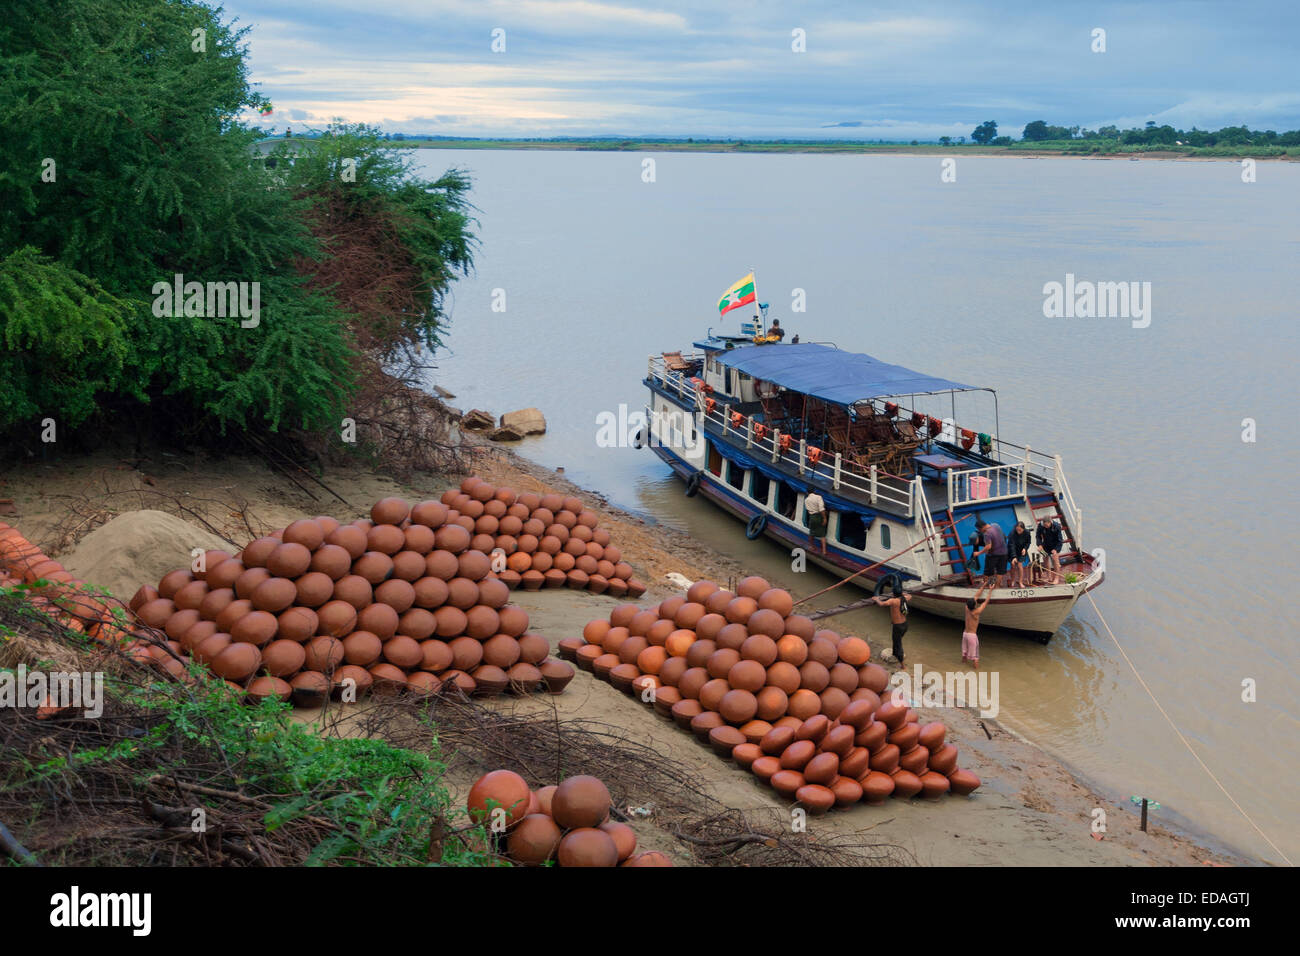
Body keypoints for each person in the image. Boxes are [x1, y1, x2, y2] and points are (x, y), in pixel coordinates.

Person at [871, 584, 909, 665]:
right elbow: (910, 595)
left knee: (898, 644)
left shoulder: (893, 601)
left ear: (893, 594)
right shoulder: (905, 598)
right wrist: (902, 594)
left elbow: (881, 604)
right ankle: (895, 654)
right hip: (905, 625)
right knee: (896, 641)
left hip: (897, 626)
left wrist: (876, 599)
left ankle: (902, 664)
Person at [962, 581, 992, 669]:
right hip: (972, 636)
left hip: (965, 634)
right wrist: (990, 590)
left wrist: (984, 584)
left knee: (964, 653)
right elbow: (986, 602)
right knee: (975, 657)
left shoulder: (967, 608)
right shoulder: (976, 612)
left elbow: (976, 596)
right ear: (975, 605)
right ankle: (976, 672)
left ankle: (962, 666)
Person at [971, 518, 1007, 588]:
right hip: (1004, 552)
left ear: (980, 527)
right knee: (1000, 571)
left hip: (993, 554)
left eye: (979, 530)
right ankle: (997, 587)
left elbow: (988, 546)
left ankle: (986, 586)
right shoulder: (996, 525)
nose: (980, 531)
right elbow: (1002, 536)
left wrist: (978, 553)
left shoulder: (987, 534)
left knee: (987, 571)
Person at [1036, 515, 1063, 583]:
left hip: (1055, 545)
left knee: (1055, 560)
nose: (1046, 526)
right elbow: (1038, 536)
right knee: (1045, 558)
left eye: (1047, 525)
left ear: (1050, 522)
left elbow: (1060, 540)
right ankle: (1049, 576)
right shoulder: (1040, 526)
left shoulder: (1057, 526)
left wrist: (1056, 550)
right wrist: (1039, 545)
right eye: (1044, 525)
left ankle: (1056, 577)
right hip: (1045, 545)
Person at [1008, 520, 1032, 587]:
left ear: (1023, 529)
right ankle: (1013, 580)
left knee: (1019, 565)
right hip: (1012, 550)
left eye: (1020, 530)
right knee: (1012, 565)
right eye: (1017, 530)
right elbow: (1011, 545)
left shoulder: (1027, 533)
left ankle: (1020, 581)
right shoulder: (1012, 533)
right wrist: (1014, 556)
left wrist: (1025, 548)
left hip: (1021, 550)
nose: (1018, 532)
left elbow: (1028, 542)